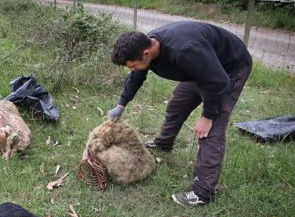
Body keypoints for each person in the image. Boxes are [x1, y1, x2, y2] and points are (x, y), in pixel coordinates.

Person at [108, 21, 252, 206]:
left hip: (228, 70)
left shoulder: (184, 51)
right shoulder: (147, 46)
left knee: (210, 131)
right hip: (201, 68)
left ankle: (202, 193)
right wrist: (121, 105)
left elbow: (219, 82)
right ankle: (164, 143)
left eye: (133, 65)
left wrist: (208, 116)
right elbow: (137, 76)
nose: (133, 69)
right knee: (177, 105)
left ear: (146, 54)